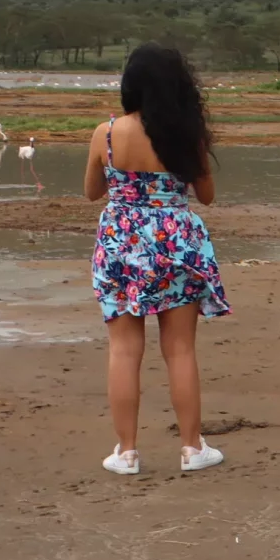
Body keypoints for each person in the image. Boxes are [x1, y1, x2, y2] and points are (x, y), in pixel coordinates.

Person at [84, 44, 228, 476]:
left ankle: (126, 452)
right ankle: (191, 448)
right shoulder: (185, 135)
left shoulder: (106, 133)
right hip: (176, 243)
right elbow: (206, 195)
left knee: (124, 350)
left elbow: (93, 191)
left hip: (120, 242)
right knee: (180, 349)